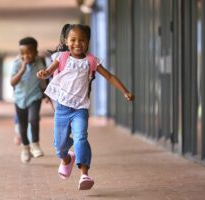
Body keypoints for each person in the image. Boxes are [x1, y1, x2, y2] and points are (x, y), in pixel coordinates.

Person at [37, 24, 135, 190]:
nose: (77, 43)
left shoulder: (91, 61)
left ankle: (84, 174)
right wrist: (44, 74)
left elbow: (110, 77)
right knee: (59, 147)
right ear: (66, 42)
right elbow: (49, 71)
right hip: (62, 109)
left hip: (80, 109)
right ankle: (67, 158)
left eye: (82, 40)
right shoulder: (62, 57)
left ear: (88, 42)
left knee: (81, 137)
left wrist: (125, 91)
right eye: (73, 40)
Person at [10, 36, 45, 163]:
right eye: (22, 53)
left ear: (35, 52)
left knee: (33, 119)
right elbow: (12, 82)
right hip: (19, 99)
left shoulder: (40, 61)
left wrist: (46, 93)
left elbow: (44, 78)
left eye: (29, 52)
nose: (26, 55)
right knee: (22, 126)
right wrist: (22, 69)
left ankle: (35, 145)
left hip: (34, 96)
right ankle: (25, 148)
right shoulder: (17, 63)